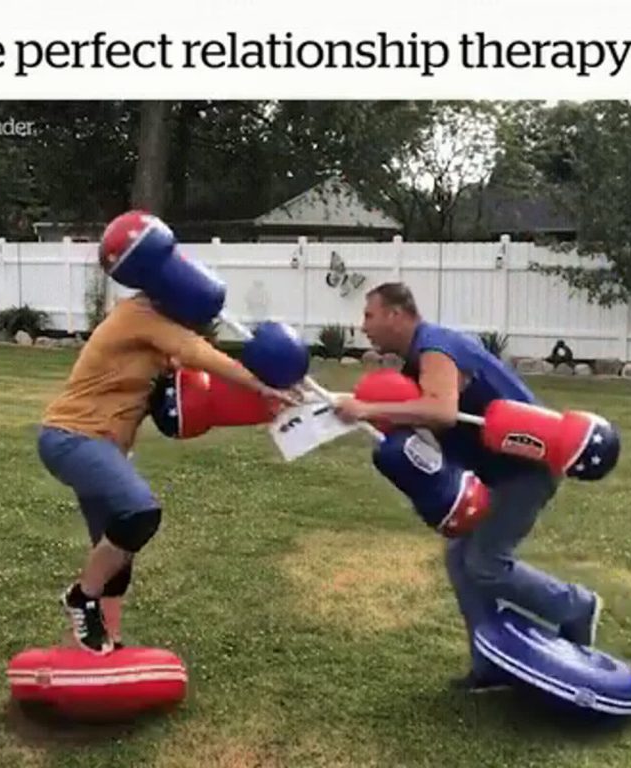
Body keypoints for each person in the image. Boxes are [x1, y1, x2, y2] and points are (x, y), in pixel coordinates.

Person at [333, 282, 602, 692]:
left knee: (484, 563)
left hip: (524, 469)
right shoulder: (418, 360)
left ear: (395, 314)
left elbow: (441, 411)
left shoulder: (435, 347)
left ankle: (576, 606)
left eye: (369, 315)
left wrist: (367, 408)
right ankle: (490, 663)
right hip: (497, 471)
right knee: (461, 560)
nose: (363, 326)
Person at [38, 290, 297, 655]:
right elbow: (196, 351)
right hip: (72, 438)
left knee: (115, 554)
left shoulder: (154, 336)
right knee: (139, 513)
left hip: (102, 448)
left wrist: (270, 401)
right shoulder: (141, 312)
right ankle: (81, 598)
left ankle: (100, 648)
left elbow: (203, 391)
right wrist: (258, 384)